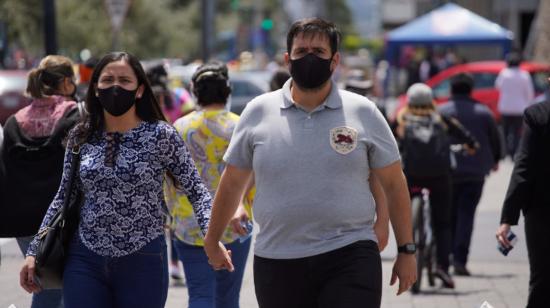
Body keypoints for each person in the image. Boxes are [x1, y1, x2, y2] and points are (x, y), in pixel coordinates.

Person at [204, 18, 416, 308]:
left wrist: (407, 250)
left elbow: (393, 182)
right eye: (302, 51)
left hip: (350, 253)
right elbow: (231, 182)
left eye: (319, 51)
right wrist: (212, 239)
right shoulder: (257, 112)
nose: (310, 58)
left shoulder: (363, 112)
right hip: (278, 260)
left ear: (335, 60)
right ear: (287, 59)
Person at [19, 51, 212, 308]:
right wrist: (34, 251)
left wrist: (212, 236)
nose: (115, 87)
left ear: (140, 89)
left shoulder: (161, 135)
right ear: (96, 89)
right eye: (107, 80)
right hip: (84, 259)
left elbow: (197, 190)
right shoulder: (81, 135)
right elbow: (63, 195)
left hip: (143, 260)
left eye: (124, 80)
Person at [164, 61, 254, 308]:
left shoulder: (179, 127)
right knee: (228, 299)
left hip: (189, 225)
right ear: (227, 90)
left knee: (200, 295)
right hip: (235, 224)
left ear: (195, 91)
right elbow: (252, 174)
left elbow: (169, 179)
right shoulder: (240, 125)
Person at [0, 55, 81, 308]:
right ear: (67, 83)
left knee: (46, 287)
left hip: (22, 220)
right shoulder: (76, 115)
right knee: (75, 287)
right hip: (64, 220)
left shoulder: (14, 121)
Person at [395, 83, 478, 289]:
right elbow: (468, 139)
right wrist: (470, 146)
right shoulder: (441, 119)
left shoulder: (400, 119)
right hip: (440, 177)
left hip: (411, 176)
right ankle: (442, 265)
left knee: (405, 217)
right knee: (443, 223)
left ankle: (409, 250)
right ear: (431, 100)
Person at [439, 73, 502, 276]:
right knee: (466, 215)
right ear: (470, 90)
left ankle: (444, 258)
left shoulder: (441, 111)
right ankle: (460, 260)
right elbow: (495, 140)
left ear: (451, 90)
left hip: (448, 172)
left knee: (448, 216)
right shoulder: (484, 113)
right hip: (475, 173)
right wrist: (496, 161)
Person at [496, 84, 550, 308]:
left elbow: (524, 167)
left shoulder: (539, 115)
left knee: (543, 280)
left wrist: (508, 218)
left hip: (543, 211)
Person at [495, 52, 534, 159]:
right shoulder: (524, 75)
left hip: (505, 107)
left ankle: (506, 151)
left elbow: (497, 86)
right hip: (519, 108)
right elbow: (529, 93)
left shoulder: (504, 73)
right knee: (517, 132)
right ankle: (514, 152)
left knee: (505, 131)